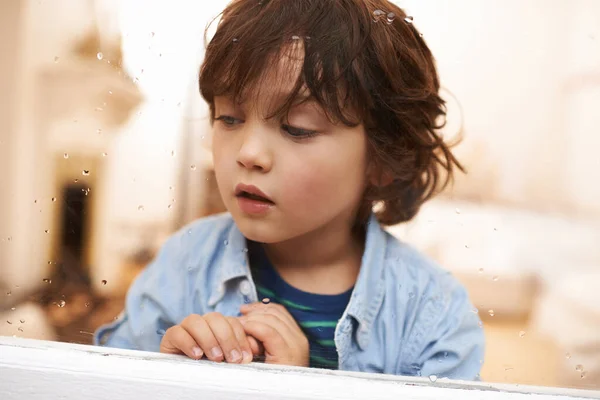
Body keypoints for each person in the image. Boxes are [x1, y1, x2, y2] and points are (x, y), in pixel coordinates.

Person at [95, 0, 485, 380]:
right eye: (229, 118)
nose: (248, 153)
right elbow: (98, 382)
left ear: (381, 159)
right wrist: (162, 375)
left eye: (297, 128)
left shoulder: (432, 310)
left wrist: (299, 386)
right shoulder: (186, 262)